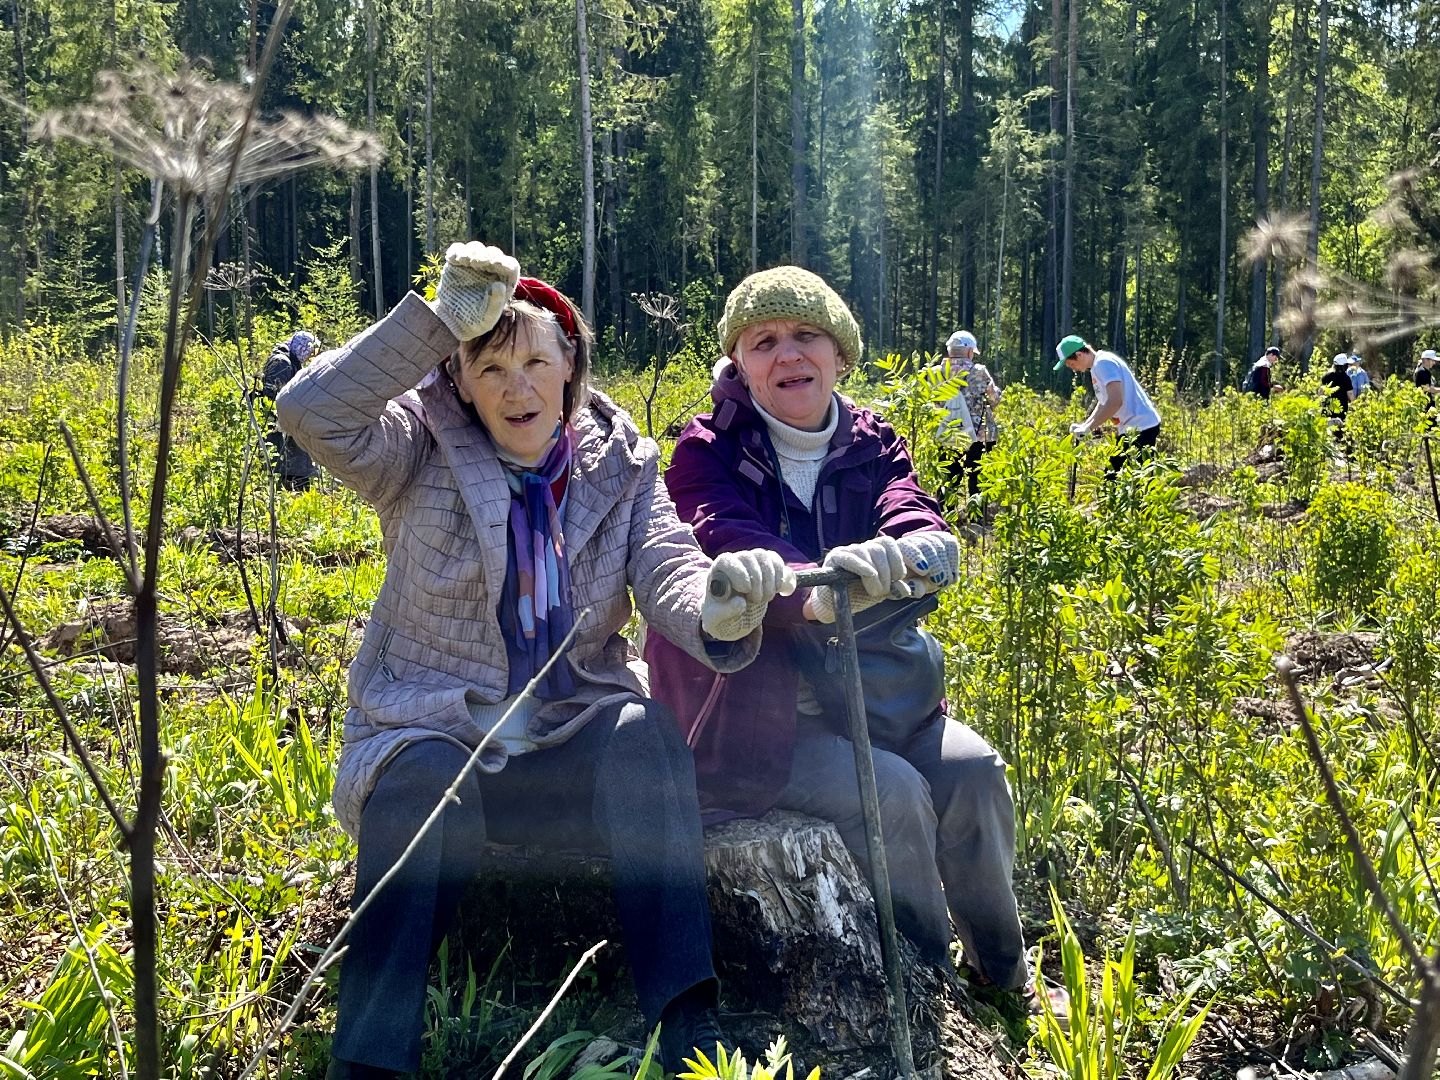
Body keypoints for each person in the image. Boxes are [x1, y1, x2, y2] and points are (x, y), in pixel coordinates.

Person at [275, 242, 797, 1079]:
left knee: (643, 733)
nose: (516, 388)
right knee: (413, 790)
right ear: (458, 383)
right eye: (489, 368)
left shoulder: (619, 463)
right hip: (436, 731)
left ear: (571, 370)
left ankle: (688, 1025)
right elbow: (311, 413)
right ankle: (369, 1062)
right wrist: (441, 319)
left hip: (566, 743)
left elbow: (664, 562)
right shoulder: (418, 448)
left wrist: (717, 606)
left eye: (535, 363)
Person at [643, 266, 1057, 1020]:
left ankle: (1005, 980)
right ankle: (928, 986)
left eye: (806, 335)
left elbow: (915, 514)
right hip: (754, 719)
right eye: (764, 341)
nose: (788, 355)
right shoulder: (703, 451)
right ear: (739, 363)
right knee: (889, 794)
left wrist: (917, 553)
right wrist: (827, 588)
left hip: (874, 693)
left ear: (840, 354)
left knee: (974, 776)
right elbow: (729, 543)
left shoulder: (873, 440)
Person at [1054, 335, 1162, 478]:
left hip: (1142, 426)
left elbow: (1115, 401)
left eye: (1071, 364)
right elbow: (1104, 402)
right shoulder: (1096, 367)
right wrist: (1085, 425)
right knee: (1121, 479)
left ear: (1079, 355)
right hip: (1132, 428)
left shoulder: (1104, 363)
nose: (1073, 369)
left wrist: (1089, 428)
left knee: (1116, 479)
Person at [935, 330, 1001, 500]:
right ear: (970, 352)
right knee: (976, 474)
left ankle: (946, 512)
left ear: (950, 350)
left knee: (949, 474)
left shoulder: (935, 372)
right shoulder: (979, 371)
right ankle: (976, 515)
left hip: (948, 432)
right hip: (976, 433)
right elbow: (993, 400)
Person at [259, 330, 322, 489]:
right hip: (280, 425)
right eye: (308, 352)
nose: (309, 357)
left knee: (293, 463)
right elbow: (275, 397)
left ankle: (295, 491)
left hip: (288, 422)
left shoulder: (289, 361)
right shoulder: (282, 362)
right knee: (285, 464)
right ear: (301, 348)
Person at [1321, 352, 1355, 437]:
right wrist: (1355, 406)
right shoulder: (1346, 378)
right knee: (1340, 432)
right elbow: (1350, 394)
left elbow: (1320, 392)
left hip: (1328, 408)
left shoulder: (1327, 376)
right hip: (1341, 409)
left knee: (1328, 431)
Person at [1416, 349, 1439, 421]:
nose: (1434, 363)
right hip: (1425, 407)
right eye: (1432, 360)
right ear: (1426, 360)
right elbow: (1427, 389)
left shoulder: (1425, 372)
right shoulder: (1422, 372)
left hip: (1429, 406)